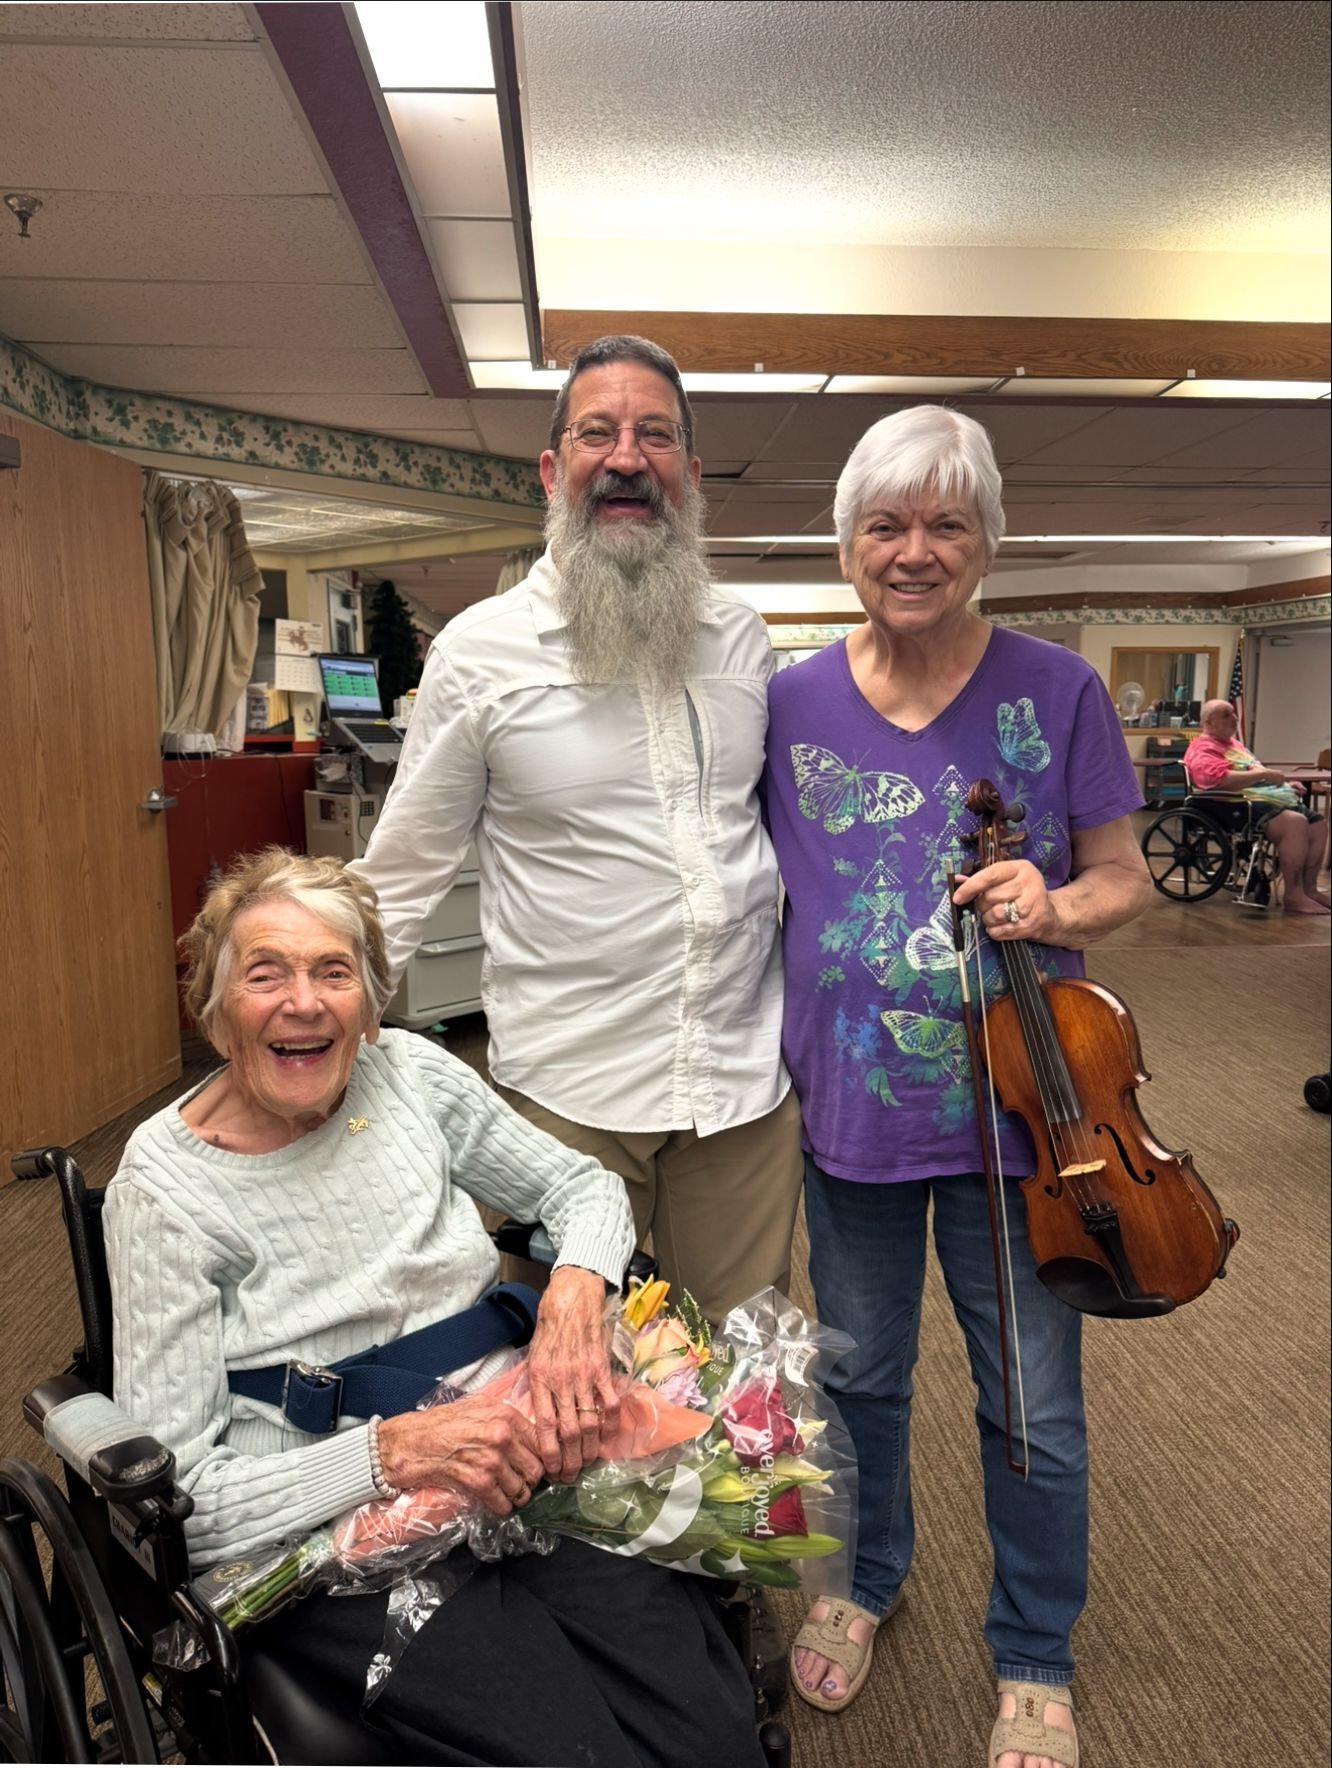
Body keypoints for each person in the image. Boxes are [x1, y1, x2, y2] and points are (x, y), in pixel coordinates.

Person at [103, 849, 766, 1767]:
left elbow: (583, 1189)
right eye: (266, 974)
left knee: (716, 1736)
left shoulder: (410, 1074)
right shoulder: (165, 1187)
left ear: (370, 1010)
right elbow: (182, 1503)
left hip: (534, 1461)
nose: (304, 1002)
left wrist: (574, 1296)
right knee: (579, 1749)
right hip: (336, 1540)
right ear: (215, 1015)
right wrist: (391, 1454)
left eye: (334, 972)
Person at [762, 406, 1154, 1768]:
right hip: (851, 1118)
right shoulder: (789, 700)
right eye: (887, 523)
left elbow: (1126, 877)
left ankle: (1034, 1649)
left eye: (945, 524)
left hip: (1028, 1125)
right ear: (848, 541)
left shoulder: (1059, 690)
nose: (914, 550)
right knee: (858, 1379)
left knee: (1029, 1399)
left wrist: (1057, 897)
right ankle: (864, 1580)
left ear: (988, 541)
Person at [351, 334, 803, 1323]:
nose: (628, 456)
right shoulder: (481, 653)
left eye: (657, 435)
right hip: (566, 1098)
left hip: (739, 1092)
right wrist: (315, 1033)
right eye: (598, 432)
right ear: (555, 470)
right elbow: (406, 872)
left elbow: (783, 838)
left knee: (743, 1383)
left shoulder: (740, 638)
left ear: (687, 470)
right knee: (567, 1415)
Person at [1184, 698, 1328, 914]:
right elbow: (1218, 780)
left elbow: (1254, 772)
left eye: (1234, 713)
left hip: (1263, 799)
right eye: (1226, 715)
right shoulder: (1202, 748)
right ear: (1209, 722)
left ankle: (1310, 889)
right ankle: (1293, 895)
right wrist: (1264, 774)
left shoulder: (1235, 746)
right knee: (1295, 824)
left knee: (1318, 824)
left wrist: (1286, 786)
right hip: (1233, 803)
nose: (1234, 718)